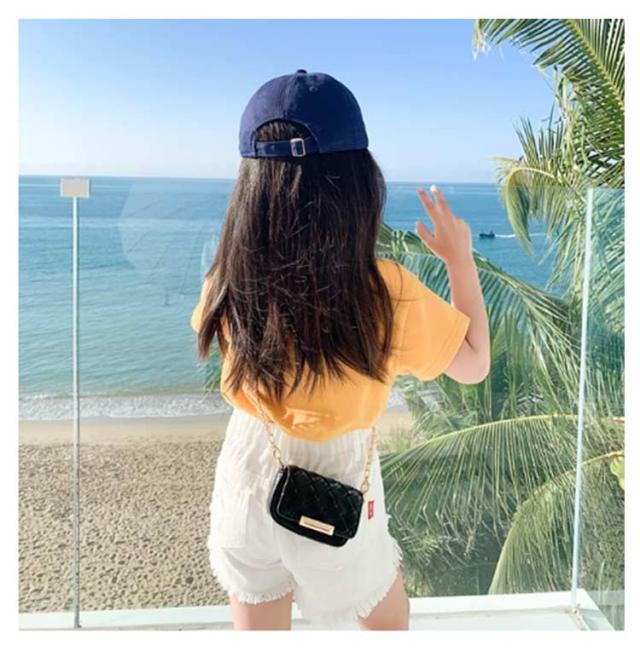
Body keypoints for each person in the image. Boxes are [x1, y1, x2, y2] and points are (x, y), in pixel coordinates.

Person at [190, 69, 490, 630]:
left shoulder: (226, 282)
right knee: (387, 625)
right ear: (357, 183)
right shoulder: (383, 294)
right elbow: (474, 362)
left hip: (245, 474)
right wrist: (459, 260)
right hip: (339, 485)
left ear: (248, 185)